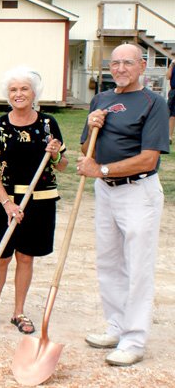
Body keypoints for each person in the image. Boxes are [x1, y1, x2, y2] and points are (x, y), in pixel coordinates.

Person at [77, 43, 169, 367]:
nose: (119, 69)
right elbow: (87, 148)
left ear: (141, 66)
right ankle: (116, 327)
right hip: (106, 192)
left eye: (127, 63)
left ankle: (134, 340)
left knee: (137, 268)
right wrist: (91, 125)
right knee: (109, 263)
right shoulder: (101, 99)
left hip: (137, 192)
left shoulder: (154, 103)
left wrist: (99, 170)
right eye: (114, 63)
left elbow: (149, 158)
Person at [0, 67, 68, 334]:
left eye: (24, 89)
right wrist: (7, 203)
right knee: (1, 257)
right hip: (4, 201)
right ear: (8, 95)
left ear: (34, 93)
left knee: (26, 257)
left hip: (39, 200)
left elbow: (62, 166)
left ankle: (19, 312)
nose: (19, 94)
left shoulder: (49, 123)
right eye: (13, 90)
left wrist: (54, 155)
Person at [166, 60, 175, 143]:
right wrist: (171, 64)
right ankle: (169, 136)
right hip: (173, 91)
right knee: (171, 115)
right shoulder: (173, 65)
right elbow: (168, 77)